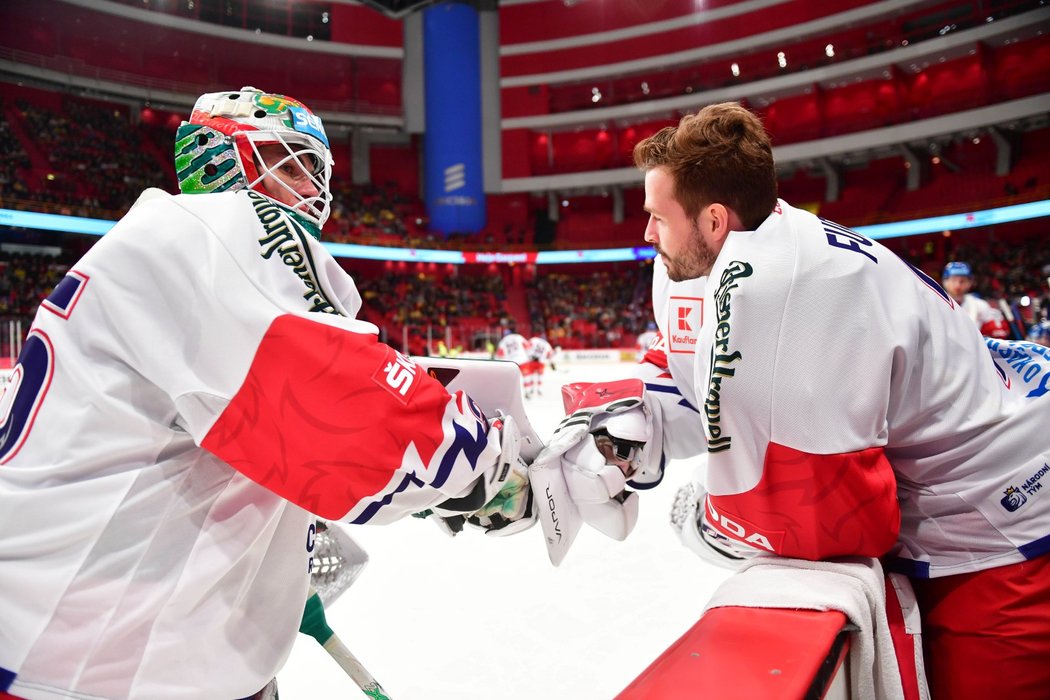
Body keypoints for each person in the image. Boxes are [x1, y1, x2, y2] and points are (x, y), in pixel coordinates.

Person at [0, 87, 535, 700]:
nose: (312, 189)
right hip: (98, 661)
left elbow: (235, 430)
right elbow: (349, 411)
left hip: (71, 636)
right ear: (225, 157)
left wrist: (274, 559)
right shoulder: (217, 228)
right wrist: (489, 469)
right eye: (293, 162)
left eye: (317, 171)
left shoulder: (160, 247)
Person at [540, 102, 1050, 698]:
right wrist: (626, 427)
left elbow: (841, 521)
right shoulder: (726, 250)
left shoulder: (795, 297)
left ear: (712, 222)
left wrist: (714, 523)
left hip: (1001, 518)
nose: (646, 232)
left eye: (657, 216)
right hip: (974, 459)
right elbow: (692, 371)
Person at [940, 260, 1011, 338]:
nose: (957, 285)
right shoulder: (936, 304)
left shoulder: (980, 305)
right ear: (945, 281)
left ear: (970, 282)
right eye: (953, 280)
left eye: (962, 281)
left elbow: (998, 334)